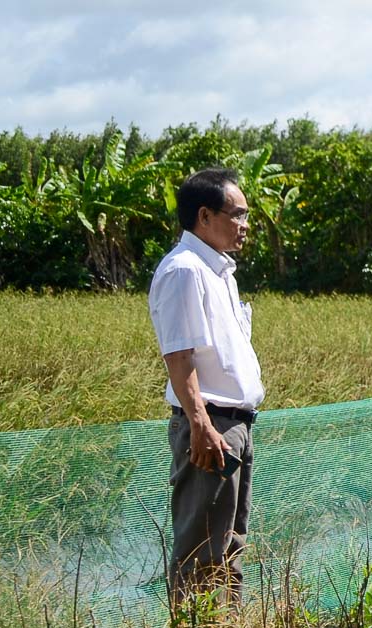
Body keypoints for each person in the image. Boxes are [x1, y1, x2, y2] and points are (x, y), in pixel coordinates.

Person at [148, 167, 263, 601]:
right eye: (237, 214)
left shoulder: (218, 273)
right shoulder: (184, 270)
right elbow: (179, 357)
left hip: (234, 423)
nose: (244, 225)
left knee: (230, 542)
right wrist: (200, 423)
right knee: (202, 549)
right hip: (211, 424)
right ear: (204, 216)